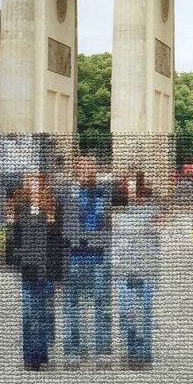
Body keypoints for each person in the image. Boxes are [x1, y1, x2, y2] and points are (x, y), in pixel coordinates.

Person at [60, 156, 114, 368]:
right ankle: (73, 350)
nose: (85, 170)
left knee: (102, 305)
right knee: (71, 306)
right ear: (75, 170)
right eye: (81, 167)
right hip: (74, 256)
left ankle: (102, 350)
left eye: (89, 166)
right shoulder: (67, 192)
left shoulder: (104, 191)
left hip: (100, 256)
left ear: (95, 169)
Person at [10, 174, 63, 371]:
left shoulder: (52, 210)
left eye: (37, 182)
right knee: (28, 314)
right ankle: (29, 356)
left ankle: (41, 354)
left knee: (42, 314)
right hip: (29, 271)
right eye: (30, 182)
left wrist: (58, 275)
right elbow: (14, 241)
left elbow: (58, 244)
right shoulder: (21, 211)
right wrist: (18, 262)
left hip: (47, 271)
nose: (33, 186)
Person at [112, 171, 162, 370]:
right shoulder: (117, 211)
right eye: (127, 184)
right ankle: (132, 349)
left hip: (146, 268)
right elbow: (114, 242)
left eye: (133, 183)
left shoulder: (152, 210)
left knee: (145, 314)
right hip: (124, 269)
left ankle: (144, 354)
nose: (130, 187)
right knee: (126, 313)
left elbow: (155, 241)